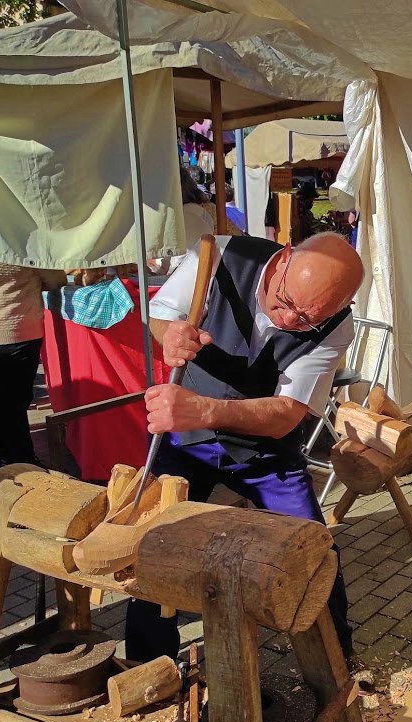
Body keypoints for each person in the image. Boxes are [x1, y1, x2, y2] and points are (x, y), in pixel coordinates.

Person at [124, 232, 363, 662]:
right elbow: (161, 313)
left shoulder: (335, 324)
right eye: (286, 300)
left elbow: (286, 413)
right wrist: (170, 334)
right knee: (154, 541)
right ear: (285, 258)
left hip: (264, 452)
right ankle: (147, 663)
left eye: (307, 318)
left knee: (314, 549)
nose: (290, 319)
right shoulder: (217, 254)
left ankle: (336, 661)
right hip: (184, 438)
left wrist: (205, 411)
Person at [0, 257, 66, 469]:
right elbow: (56, 279)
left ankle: (1, 453)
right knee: (15, 401)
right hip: (18, 327)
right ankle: (20, 459)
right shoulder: (18, 243)